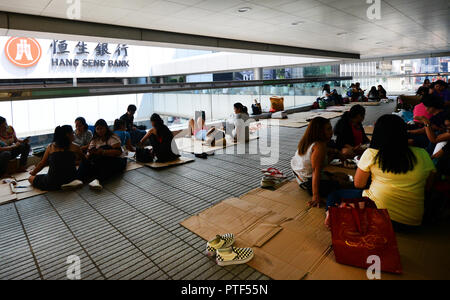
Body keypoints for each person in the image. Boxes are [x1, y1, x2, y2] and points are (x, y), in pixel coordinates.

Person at [325, 115, 436, 230]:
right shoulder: (423, 154)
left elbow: (359, 184)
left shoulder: (372, 153)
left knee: (335, 195)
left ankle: (331, 214)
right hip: (412, 223)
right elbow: (428, 187)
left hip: (378, 216)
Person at [291, 117, 341, 208]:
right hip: (307, 183)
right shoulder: (319, 146)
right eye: (328, 129)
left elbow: (319, 162)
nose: (331, 131)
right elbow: (316, 171)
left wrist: (334, 154)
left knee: (340, 176)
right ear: (320, 131)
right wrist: (316, 195)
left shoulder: (307, 141)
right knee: (343, 183)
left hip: (299, 177)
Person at [29, 126, 84, 191]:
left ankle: (60, 185)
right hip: (71, 179)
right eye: (72, 133)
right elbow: (85, 160)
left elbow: (42, 164)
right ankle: (68, 184)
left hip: (52, 182)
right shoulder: (76, 147)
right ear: (67, 135)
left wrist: (33, 173)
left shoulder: (51, 146)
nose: (74, 134)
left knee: (30, 178)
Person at [77, 119, 127, 191]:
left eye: (101, 128)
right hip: (99, 162)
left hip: (117, 161)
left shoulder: (112, 137)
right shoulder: (94, 140)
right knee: (86, 161)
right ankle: (78, 180)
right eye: (98, 129)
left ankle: (98, 180)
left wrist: (103, 151)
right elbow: (88, 155)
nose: (100, 131)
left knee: (104, 152)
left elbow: (118, 152)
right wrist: (87, 157)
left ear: (106, 128)